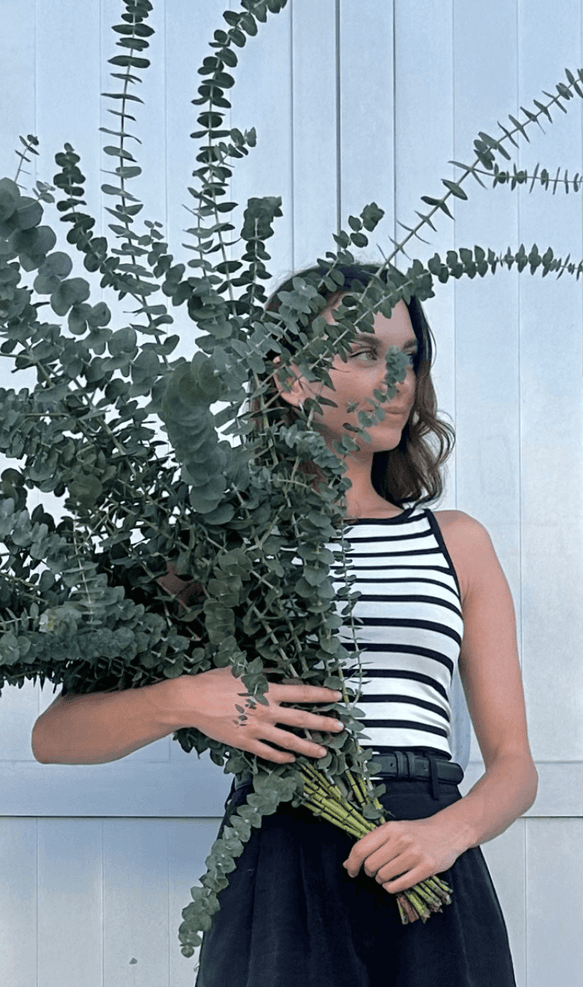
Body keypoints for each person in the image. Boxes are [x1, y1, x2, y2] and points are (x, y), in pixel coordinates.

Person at [31, 263, 537, 986]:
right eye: (365, 352)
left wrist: (448, 833)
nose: (398, 377)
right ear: (291, 377)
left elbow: (515, 765)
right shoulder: (222, 544)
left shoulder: (456, 542)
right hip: (281, 858)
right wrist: (192, 700)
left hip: (432, 865)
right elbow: (54, 736)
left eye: (411, 356)